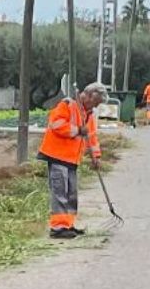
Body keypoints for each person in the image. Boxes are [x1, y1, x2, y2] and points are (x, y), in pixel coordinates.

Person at [37, 82, 107, 239]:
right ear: (88, 96)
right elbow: (56, 124)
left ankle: (68, 225)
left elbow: (92, 137)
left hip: (72, 158)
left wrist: (96, 157)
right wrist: (77, 130)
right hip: (57, 156)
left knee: (71, 194)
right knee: (60, 192)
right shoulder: (68, 104)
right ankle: (58, 228)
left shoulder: (88, 113)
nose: (95, 107)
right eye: (95, 103)